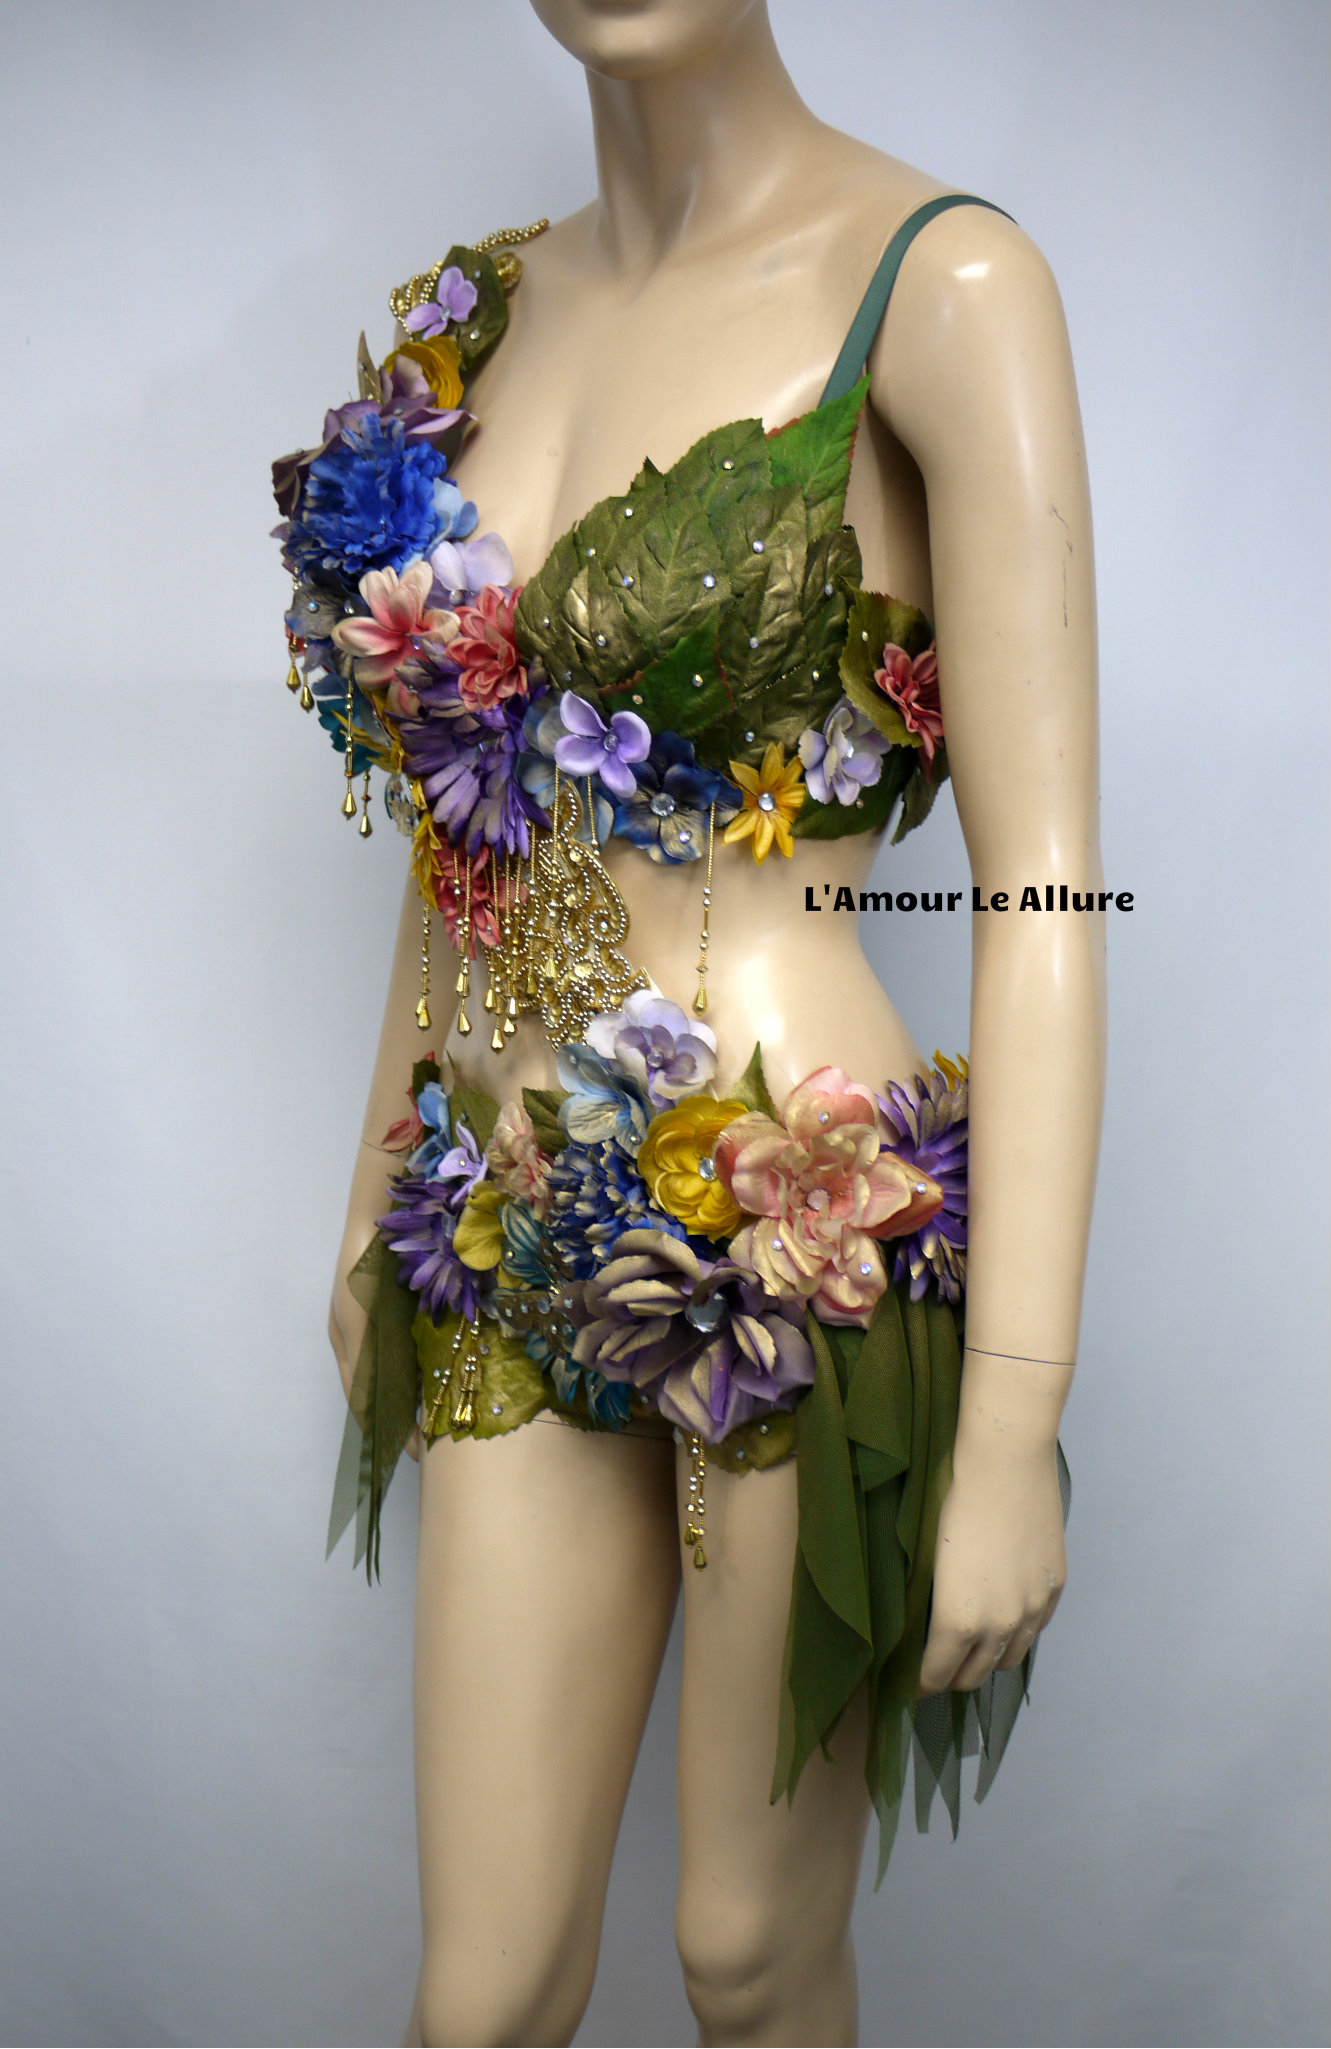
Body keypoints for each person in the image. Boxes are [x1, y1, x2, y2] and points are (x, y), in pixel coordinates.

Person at [317, 4, 1103, 2042]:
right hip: (503, 1228)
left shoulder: (944, 285)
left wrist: (1016, 1414)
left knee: (748, 1956)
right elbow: (470, 821)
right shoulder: (480, 319)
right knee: (483, 1993)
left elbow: (1040, 892)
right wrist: (375, 1185)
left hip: (796, 1234)